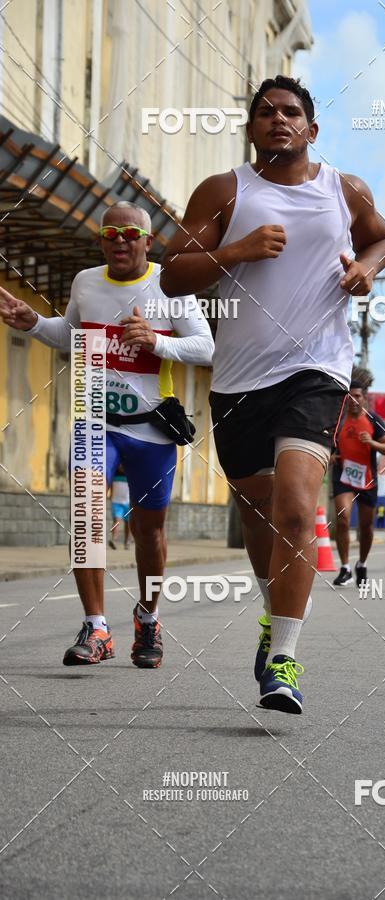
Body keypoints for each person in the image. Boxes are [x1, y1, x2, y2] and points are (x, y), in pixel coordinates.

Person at [160, 75, 385, 714]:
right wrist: (234, 250)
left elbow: (382, 237)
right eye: (266, 112)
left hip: (316, 369)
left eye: (291, 112)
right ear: (252, 128)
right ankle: (272, 618)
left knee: (295, 505)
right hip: (239, 379)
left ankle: (284, 659)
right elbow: (174, 275)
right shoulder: (224, 191)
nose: (278, 119)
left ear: (311, 129)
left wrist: (363, 270)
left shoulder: (343, 190)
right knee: (261, 517)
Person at [0, 201, 214, 668]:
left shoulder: (169, 286)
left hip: (150, 431)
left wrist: (156, 340)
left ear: (148, 241)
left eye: (129, 233)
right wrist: (34, 323)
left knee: (149, 532)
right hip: (94, 420)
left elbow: (204, 345)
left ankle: (148, 618)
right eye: (110, 233)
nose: (120, 241)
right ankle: (97, 628)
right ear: (101, 239)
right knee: (86, 519)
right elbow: (71, 334)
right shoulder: (86, 282)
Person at [331, 382, 385, 587]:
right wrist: (330, 456)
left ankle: (362, 564)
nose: (353, 400)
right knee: (343, 518)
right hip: (344, 476)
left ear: (364, 398)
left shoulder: (374, 420)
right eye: (349, 396)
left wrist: (372, 443)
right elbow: (325, 443)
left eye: (357, 396)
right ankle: (345, 568)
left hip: (367, 479)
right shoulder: (337, 419)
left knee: (366, 527)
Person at [109, 464, 131, 550]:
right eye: (120, 465)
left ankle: (127, 542)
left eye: (123, 465)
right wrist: (110, 496)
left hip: (127, 502)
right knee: (116, 521)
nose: (121, 466)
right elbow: (110, 485)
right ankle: (114, 540)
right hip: (116, 502)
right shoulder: (114, 474)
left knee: (128, 523)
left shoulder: (130, 474)